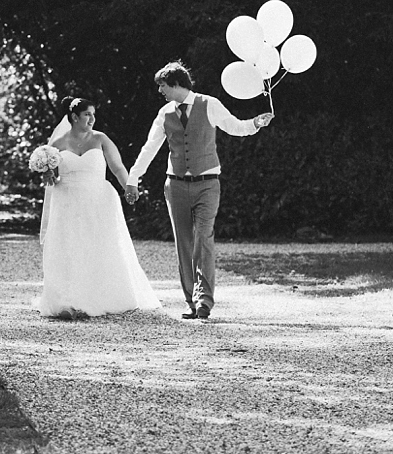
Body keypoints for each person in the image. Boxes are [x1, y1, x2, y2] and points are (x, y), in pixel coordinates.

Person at [124, 61, 273, 321]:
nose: (161, 92)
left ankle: (204, 301)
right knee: (184, 243)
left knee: (203, 238)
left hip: (208, 183)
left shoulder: (209, 104)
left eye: (162, 86)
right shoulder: (165, 114)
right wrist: (133, 178)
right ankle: (191, 302)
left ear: (175, 84)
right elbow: (150, 147)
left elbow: (235, 126)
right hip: (176, 185)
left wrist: (255, 123)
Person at [37, 97, 160, 318]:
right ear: (75, 117)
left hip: (98, 199)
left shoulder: (100, 139)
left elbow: (117, 166)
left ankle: (99, 297)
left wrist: (129, 187)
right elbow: (53, 179)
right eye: (87, 115)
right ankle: (68, 301)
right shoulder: (57, 144)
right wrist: (47, 172)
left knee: (98, 246)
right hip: (67, 201)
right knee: (70, 248)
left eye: (93, 114)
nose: (92, 119)